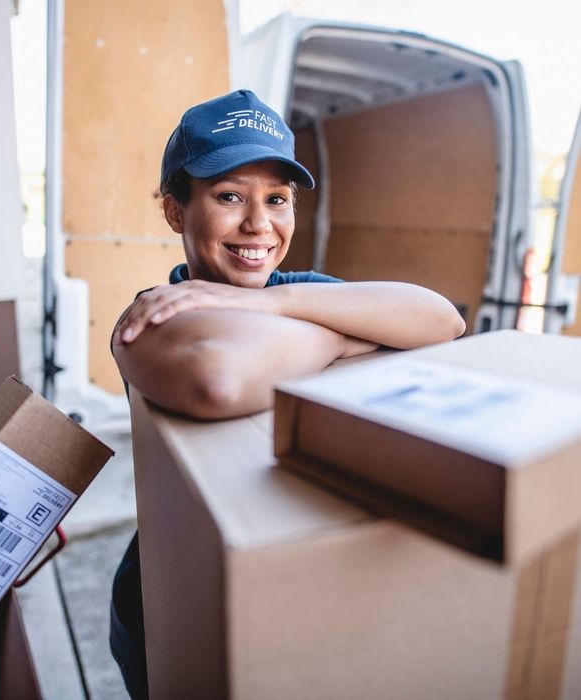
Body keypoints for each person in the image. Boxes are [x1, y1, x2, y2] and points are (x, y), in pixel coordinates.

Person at [109, 89, 465, 698]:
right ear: (175, 211)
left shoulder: (295, 290)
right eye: (229, 197)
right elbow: (220, 378)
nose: (259, 225)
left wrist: (271, 301)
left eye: (277, 200)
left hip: (281, 572)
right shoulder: (156, 315)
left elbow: (442, 320)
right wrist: (351, 340)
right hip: (171, 600)